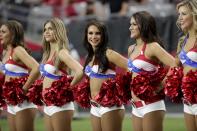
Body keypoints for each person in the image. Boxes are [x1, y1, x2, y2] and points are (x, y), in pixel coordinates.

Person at [74, 21, 128, 131]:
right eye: (90, 33)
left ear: (103, 36)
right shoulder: (89, 56)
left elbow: (131, 68)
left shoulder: (109, 53)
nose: (93, 36)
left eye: (97, 33)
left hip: (110, 106)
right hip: (94, 107)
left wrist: (122, 89)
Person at [128, 11, 175, 131]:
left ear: (143, 26)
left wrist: (161, 85)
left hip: (152, 105)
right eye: (130, 24)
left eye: (134, 24)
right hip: (135, 107)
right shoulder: (131, 49)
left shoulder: (153, 46)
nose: (130, 27)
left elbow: (176, 65)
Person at [40, 18, 83, 131]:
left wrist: (67, 89)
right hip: (48, 104)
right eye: (45, 29)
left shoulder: (61, 52)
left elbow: (80, 71)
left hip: (60, 106)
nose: (46, 32)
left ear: (58, 31)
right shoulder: (48, 54)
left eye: (50, 29)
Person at [0, 20, 40, 131]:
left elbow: (36, 68)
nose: (0, 34)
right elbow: (8, 74)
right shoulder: (5, 52)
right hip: (11, 102)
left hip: (23, 102)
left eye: (3, 32)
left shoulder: (18, 50)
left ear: (12, 34)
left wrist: (24, 88)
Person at [175, 1, 197, 131]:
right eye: (179, 14)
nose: (180, 18)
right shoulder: (183, 40)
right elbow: (175, 67)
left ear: (194, 15)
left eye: (183, 14)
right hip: (188, 99)